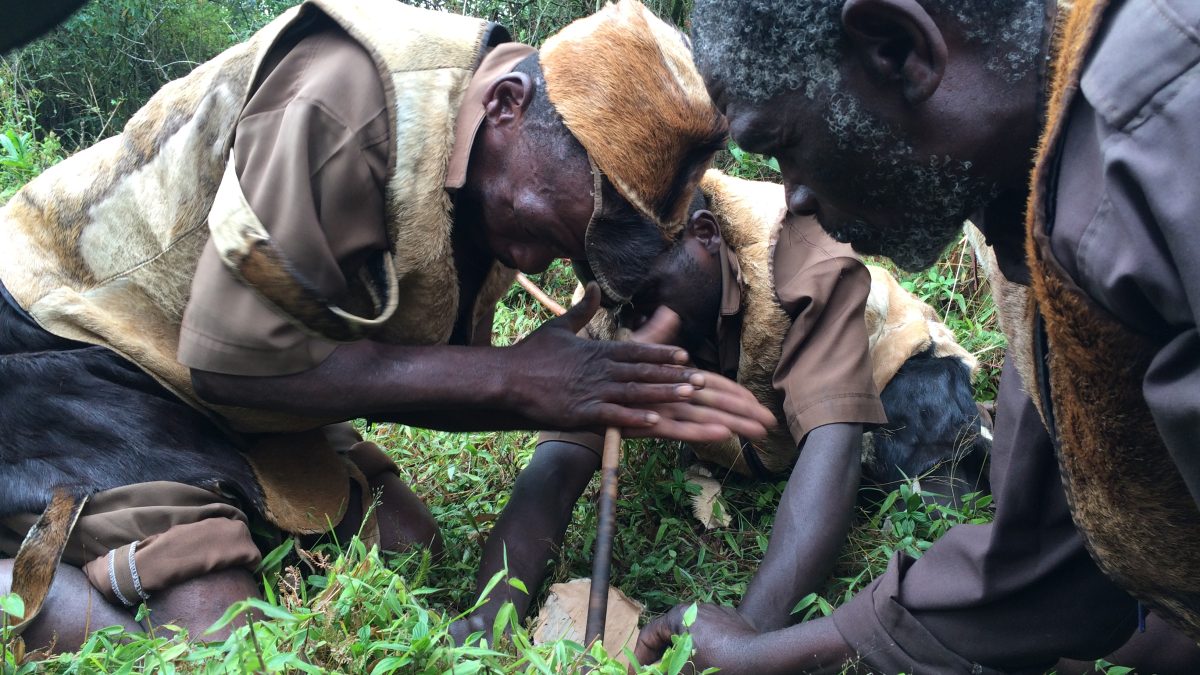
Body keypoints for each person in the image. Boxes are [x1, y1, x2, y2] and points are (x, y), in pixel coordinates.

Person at [0, 0, 776, 651]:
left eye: (569, 251)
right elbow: (227, 361)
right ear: (509, 105)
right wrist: (512, 375)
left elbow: (409, 377)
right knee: (216, 625)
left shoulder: (500, 178)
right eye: (549, 230)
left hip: (242, 379)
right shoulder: (342, 95)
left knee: (412, 546)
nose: (539, 264)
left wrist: (555, 393)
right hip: (72, 342)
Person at [634, 0, 1200, 672]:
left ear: (898, 50)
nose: (795, 196)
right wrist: (761, 655)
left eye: (785, 146)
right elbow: (1045, 561)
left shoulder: (1158, 122)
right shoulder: (1028, 204)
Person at [457, 170, 888, 641]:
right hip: (753, 440)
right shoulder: (610, 301)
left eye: (648, 296)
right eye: (624, 307)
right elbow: (557, 467)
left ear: (704, 235)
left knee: (911, 455)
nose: (640, 324)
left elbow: (834, 443)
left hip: (893, 368)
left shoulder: (804, 256)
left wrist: (748, 636)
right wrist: (486, 620)